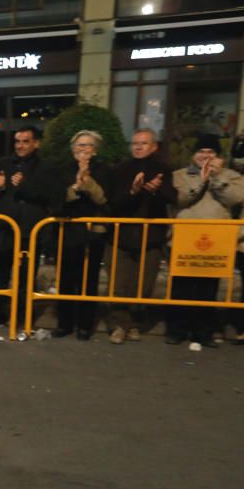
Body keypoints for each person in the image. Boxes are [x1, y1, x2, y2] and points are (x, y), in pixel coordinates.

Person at [166, 135, 244, 347]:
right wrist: (201, 180)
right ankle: (176, 330)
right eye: (201, 151)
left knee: (208, 288)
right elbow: (180, 198)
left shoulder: (232, 176)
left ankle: (203, 333)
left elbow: (237, 198)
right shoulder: (179, 175)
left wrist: (217, 179)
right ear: (193, 154)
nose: (205, 156)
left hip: (216, 240)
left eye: (211, 152)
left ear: (218, 156)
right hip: (185, 239)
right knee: (181, 288)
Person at [0, 126, 63, 330]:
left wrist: (24, 186)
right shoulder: (3, 163)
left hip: (30, 232)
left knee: (25, 278)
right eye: (17, 141)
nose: (20, 145)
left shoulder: (47, 168)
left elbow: (51, 197)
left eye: (25, 141)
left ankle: (20, 315)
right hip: (4, 229)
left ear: (36, 143)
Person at [106, 128, 176, 344]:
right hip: (121, 236)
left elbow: (171, 198)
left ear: (154, 146)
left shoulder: (163, 169)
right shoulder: (120, 170)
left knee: (143, 286)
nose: (138, 146)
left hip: (151, 238)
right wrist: (133, 192)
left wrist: (155, 190)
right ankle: (119, 325)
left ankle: (135, 323)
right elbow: (114, 203)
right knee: (119, 285)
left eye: (143, 143)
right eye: (135, 142)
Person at [52, 130, 110, 341]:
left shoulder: (103, 170)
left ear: (95, 151)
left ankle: (85, 325)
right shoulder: (63, 171)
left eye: (87, 146)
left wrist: (88, 181)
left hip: (93, 232)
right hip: (68, 231)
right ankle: (64, 323)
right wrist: (76, 186)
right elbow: (57, 200)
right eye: (79, 146)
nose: (82, 150)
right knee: (66, 279)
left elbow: (103, 199)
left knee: (89, 280)